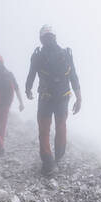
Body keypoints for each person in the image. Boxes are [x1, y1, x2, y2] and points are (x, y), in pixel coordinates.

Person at [26, 25, 82, 176]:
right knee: (61, 126)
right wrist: (79, 98)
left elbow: (31, 74)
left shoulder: (37, 55)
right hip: (63, 97)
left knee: (44, 131)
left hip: (45, 98)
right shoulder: (65, 53)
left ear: (41, 38)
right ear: (54, 37)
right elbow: (74, 76)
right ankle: (58, 157)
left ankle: (48, 163)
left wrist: (28, 89)